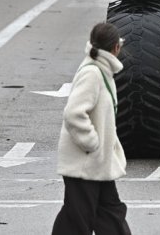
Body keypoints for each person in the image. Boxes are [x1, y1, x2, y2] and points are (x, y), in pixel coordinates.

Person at [52, 23, 130, 235]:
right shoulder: (93, 73)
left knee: (109, 214)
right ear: (115, 47)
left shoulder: (101, 70)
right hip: (85, 163)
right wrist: (92, 143)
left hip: (97, 163)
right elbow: (74, 113)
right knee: (78, 220)